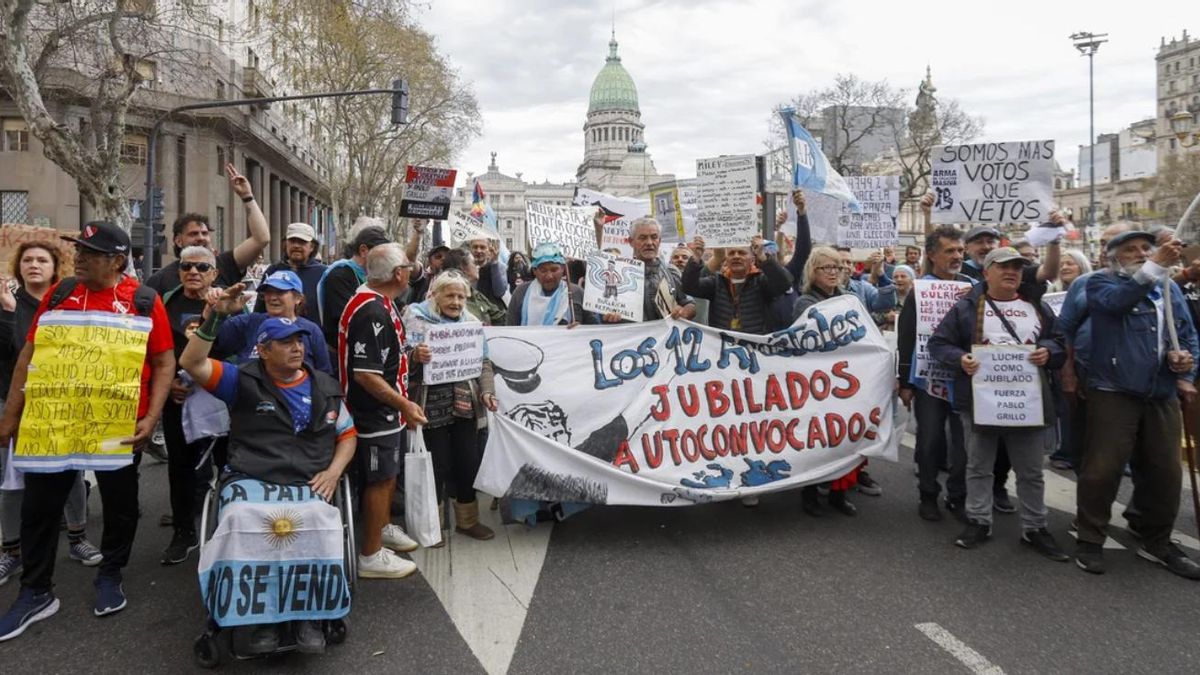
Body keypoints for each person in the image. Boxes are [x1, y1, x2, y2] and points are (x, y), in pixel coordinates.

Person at [0, 222, 174, 640]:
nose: (78, 258)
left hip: (118, 428)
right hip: (54, 424)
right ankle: (36, 591)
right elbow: (29, 354)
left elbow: (164, 361)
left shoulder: (143, 301)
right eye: (78, 250)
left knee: (120, 505)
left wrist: (151, 417)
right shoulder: (60, 294)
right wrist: (11, 417)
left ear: (117, 261)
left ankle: (111, 572)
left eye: (90, 253)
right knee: (39, 508)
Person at [178, 310, 357, 654]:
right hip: (252, 474)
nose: (297, 348)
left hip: (308, 477)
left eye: (299, 341)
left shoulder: (325, 386)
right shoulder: (239, 380)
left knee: (318, 519)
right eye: (285, 343)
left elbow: (347, 435)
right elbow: (191, 361)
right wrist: (215, 317)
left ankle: (308, 616)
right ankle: (262, 618)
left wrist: (334, 471)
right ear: (263, 350)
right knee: (241, 518)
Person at [1073, 230, 1200, 579]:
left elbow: (1187, 334)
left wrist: (1187, 368)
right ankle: (1090, 539)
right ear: (1114, 258)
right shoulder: (1100, 284)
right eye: (1130, 250)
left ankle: (1156, 540)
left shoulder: (1169, 289)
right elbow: (1118, 302)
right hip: (1113, 389)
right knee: (1103, 469)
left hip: (1160, 391)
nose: (1142, 254)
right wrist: (1155, 266)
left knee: (1165, 472)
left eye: (1146, 248)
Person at [927, 247, 1068, 559]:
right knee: (979, 466)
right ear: (986, 272)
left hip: (1027, 403)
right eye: (1004, 266)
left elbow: (1060, 342)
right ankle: (979, 520)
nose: (1011, 272)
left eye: (1017, 267)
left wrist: (1048, 351)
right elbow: (938, 344)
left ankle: (1035, 527)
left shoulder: (1037, 306)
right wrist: (960, 358)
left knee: (1031, 471)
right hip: (980, 402)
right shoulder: (967, 307)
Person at [0, 242, 102, 587]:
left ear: (54, 267)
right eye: (27, 259)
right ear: (18, 266)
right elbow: (12, 353)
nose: (34, 265)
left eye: (42, 260)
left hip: (60, 403)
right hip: (13, 402)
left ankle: (77, 537)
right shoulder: (8, 303)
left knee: (70, 472)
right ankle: (11, 550)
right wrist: (9, 313)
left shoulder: (67, 302)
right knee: (11, 479)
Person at [338, 243, 427, 579]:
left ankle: (383, 526)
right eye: (407, 266)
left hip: (387, 410)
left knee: (389, 473)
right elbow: (366, 375)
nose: (410, 270)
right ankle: (371, 553)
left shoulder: (379, 301)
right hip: (374, 412)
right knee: (380, 478)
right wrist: (404, 404)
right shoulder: (371, 311)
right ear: (398, 274)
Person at [403, 272, 498, 542]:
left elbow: (483, 363)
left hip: (465, 406)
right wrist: (414, 356)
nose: (456, 302)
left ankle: (468, 521)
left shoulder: (471, 324)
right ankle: (432, 527)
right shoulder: (416, 319)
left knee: (467, 462)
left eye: (461, 297)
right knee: (437, 466)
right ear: (435, 295)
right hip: (429, 406)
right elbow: (399, 359)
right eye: (450, 295)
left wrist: (487, 392)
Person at [897, 222, 973, 522]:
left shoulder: (972, 286)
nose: (957, 256)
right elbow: (906, 337)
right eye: (950, 251)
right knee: (929, 440)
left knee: (964, 444)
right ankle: (928, 494)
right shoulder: (919, 289)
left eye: (960, 250)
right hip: (928, 379)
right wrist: (905, 382)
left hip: (964, 377)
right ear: (932, 255)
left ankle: (958, 496)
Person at [159, 246, 225, 565]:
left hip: (218, 394)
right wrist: (168, 381)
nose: (193, 272)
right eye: (187, 266)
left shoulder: (226, 302)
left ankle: (227, 528)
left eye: (202, 267)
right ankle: (183, 531)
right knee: (180, 466)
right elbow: (154, 348)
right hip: (178, 397)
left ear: (215, 274)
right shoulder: (165, 303)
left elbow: (238, 346)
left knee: (227, 462)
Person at [792, 246, 864, 517]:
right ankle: (809, 493)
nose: (833, 273)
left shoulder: (849, 299)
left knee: (843, 436)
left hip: (845, 379)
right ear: (814, 271)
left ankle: (838, 493)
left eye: (837, 267)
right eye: (826, 268)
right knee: (816, 438)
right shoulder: (805, 302)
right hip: (816, 380)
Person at [144, 163, 270, 295]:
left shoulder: (225, 264)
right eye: (193, 234)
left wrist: (247, 197)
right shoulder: (159, 280)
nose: (201, 238)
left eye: (204, 233)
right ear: (178, 241)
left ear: (215, 273)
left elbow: (261, 239)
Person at [214, 270, 330, 376]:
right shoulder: (248, 322)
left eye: (280, 292)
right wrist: (218, 313)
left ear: (298, 298)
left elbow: (324, 376)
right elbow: (212, 345)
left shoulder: (311, 331)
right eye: (268, 292)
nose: (273, 297)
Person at [681, 234, 792, 334]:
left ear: (752, 259)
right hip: (723, 346)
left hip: (754, 346)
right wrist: (695, 258)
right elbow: (689, 287)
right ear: (726, 260)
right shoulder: (716, 282)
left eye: (742, 253)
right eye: (731, 253)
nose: (736, 256)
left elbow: (784, 284)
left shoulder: (761, 282)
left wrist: (763, 257)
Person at [318, 223, 391, 359]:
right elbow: (351, 317)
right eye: (382, 256)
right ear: (363, 250)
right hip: (343, 354)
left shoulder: (372, 277)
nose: (385, 262)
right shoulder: (339, 275)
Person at [253, 223, 326, 324]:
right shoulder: (273, 271)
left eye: (302, 242)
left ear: (312, 247)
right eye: (292, 241)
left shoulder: (323, 274)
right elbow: (259, 310)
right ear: (285, 244)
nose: (296, 246)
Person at [506, 243, 593, 327]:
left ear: (563, 268)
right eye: (543, 271)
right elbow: (510, 329)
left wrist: (580, 330)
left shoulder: (576, 293)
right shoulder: (521, 293)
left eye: (554, 270)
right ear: (535, 271)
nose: (549, 276)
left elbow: (594, 329)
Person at [441, 249, 506, 326]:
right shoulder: (444, 297)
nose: (477, 267)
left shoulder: (475, 294)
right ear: (462, 268)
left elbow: (500, 317)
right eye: (474, 263)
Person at [470, 238, 508, 310]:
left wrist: (494, 263)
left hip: (491, 311)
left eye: (482, 247)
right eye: (475, 247)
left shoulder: (499, 266)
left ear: (489, 250)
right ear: (470, 249)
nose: (478, 251)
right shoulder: (464, 267)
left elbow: (499, 292)